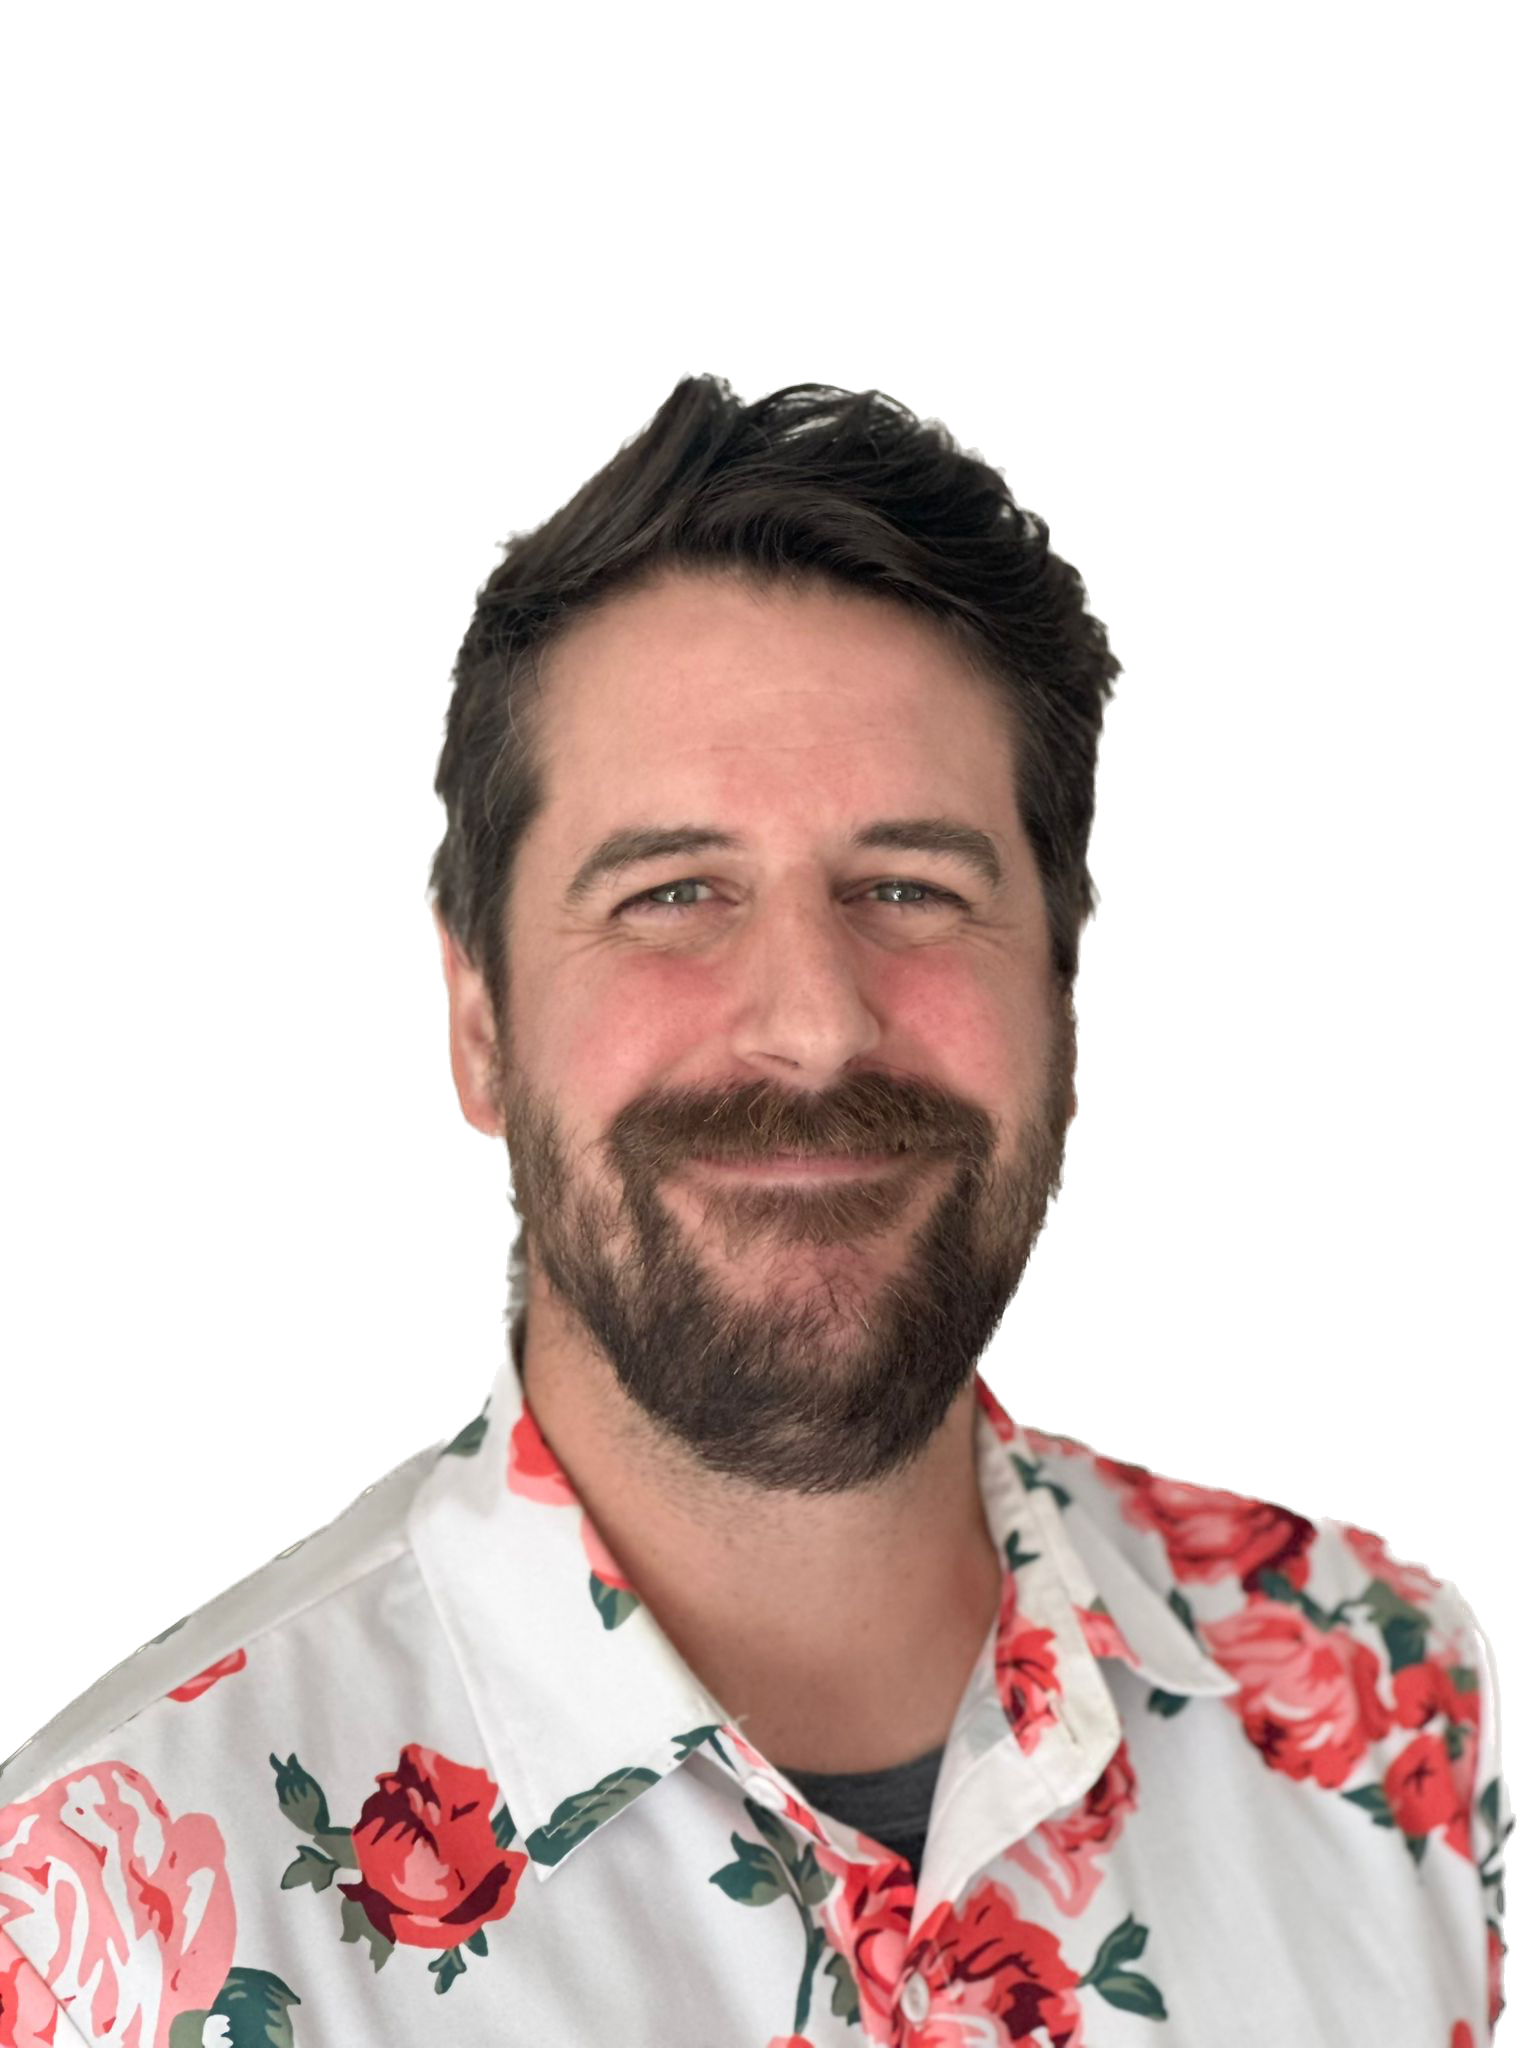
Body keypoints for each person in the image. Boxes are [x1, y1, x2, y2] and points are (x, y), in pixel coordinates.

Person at [1, 377, 1507, 2045]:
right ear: (479, 1021)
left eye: (912, 889)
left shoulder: (1397, 1694)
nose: (814, 1020)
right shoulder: (96, 1921)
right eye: (673, 895)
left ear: (1063, 994)